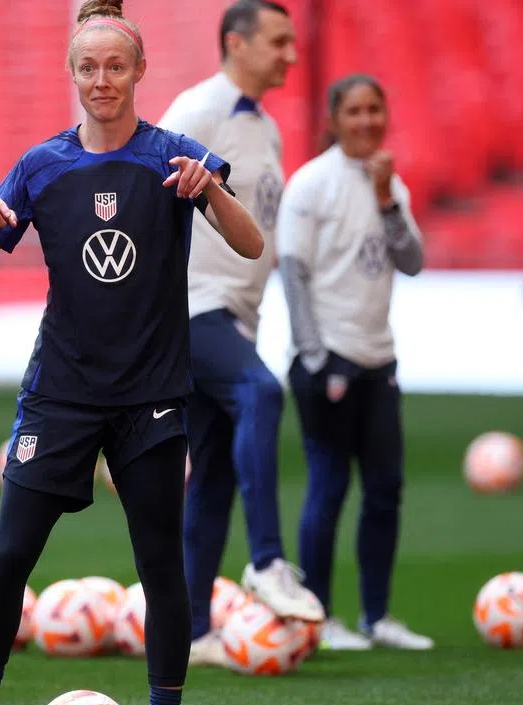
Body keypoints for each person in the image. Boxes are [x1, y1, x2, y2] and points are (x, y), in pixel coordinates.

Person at [0, 0, 263, 705]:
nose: (102, 80)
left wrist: (208, 189)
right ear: (73, 74)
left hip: (151, 398)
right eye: (88, 67)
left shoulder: (173, 156)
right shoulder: (42, 165)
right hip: (60, 394)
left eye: (115, 66)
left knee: (162, 564)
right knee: (9, 557)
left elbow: (250, 244)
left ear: (140, 70)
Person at [157, 0, 321, 669]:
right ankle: (267, 561)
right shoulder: (198, 110)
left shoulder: (268, 130)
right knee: (260, 392)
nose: (291, 53)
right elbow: (141, 182)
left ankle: (192, 634)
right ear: (236, 43)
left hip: (235, 313)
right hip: (191, 307)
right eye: (279, 41)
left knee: (214, 474)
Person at [277, 74, 432, 652]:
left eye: (375, 109)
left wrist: (389, 198)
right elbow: (293, 274)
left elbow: (412, 261)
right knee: (329, 485)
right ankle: (320, 617)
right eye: (356, 111)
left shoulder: (391, 185)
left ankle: (377, 615)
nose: (367, 121)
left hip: (379, 358)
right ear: (334, 119)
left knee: (386, 488)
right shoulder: (311, 184)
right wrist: (317, 358)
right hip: (330, 362)